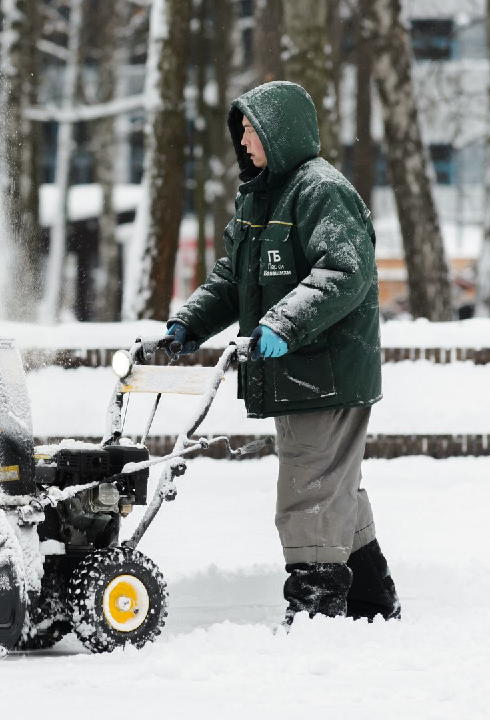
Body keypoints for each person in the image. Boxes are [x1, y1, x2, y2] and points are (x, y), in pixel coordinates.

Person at [165, 81, 400, 625]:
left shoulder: (321, 190)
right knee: (333, 482)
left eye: (251, 129)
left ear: (280, 130)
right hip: (300, 370)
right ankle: (369, 602)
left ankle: (316, 611)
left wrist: (282, 324)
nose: (243, 141)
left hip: (327, 369)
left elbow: (345, 273)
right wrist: (186, 327)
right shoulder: (260, 197)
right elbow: (231, 281)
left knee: (309, 487)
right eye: (241, 130)